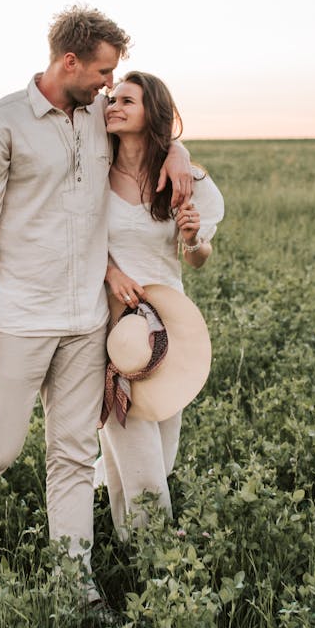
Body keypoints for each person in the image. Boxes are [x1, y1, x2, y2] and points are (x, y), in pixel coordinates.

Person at [0, 8, 194, 602]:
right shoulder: (0, 124)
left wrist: (177, 151)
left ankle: (76, 587)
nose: (109, 85)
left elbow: (149, 125)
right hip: (18, 320)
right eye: (102, 72)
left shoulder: (98, 115)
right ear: (69, 62)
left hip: (87, 323)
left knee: (71, 456)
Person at [96, 71, 224, 537]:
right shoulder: (93, 172)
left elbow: (199, 259)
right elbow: (74, 240)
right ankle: (157, 558)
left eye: (127, 101)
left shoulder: (183, 178)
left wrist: (191, 238)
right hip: (115, 327)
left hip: (169, 324)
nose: (113, 106)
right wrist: (110, 272)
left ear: (152, 111)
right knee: (138, 450)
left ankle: (124, 543)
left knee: (161, 452)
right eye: (112, 99)